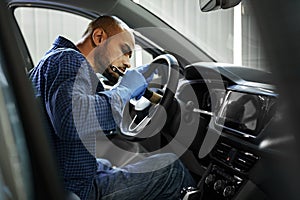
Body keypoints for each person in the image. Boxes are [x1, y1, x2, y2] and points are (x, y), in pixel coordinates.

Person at [29, 15, 195, 200]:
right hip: (77, 191)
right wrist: (125, 90)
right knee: (170, 170)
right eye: (124, 51)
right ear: (99, 37)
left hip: (63, 176)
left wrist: (124, 89)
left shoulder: (54, 61)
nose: (127, 63)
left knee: (108, 163)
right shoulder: (68, 59)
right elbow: (71, 120)